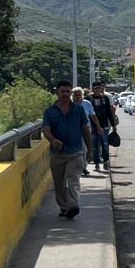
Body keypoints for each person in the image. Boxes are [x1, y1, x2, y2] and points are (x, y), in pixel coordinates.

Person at [43, 80, 92, 219]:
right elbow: (46, 129)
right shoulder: (49, 111)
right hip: (57, 154)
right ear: (56, 92)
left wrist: (90, 149)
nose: (65, 94)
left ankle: (73, 205)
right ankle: (65, 207)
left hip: (75, 152)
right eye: (62, 91)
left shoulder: (78, 109)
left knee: (73, 180)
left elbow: (85, 129)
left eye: (67, 91)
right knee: (59, 184)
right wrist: (53, 140)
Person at [88, 81, 118, 171]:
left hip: (104, 124)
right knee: (94, 145)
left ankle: (106, 161)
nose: (98, 90)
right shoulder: (88, 99)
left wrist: (113, 125)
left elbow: (109, 112)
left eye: (99, 88)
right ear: (92, 89)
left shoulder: (105, 98)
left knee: (104, 143)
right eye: (96, 88)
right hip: (92, 125)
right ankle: (96, 163)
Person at [72, 87, 102, 175]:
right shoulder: (69, 104)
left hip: (86, 129)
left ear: (82, 96)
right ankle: (79, 167)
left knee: (85, 149)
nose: (77, 97)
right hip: (73, 130)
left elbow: (93, 115)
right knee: (76, 150)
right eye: (75, 95)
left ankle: (83, 167)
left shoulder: (87, 104)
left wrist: (98, 127)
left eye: (79, 95)